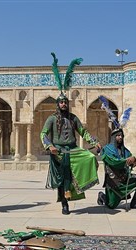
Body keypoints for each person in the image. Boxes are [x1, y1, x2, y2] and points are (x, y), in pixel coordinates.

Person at [40, 53, 102, 215]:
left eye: (65, 102)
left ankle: (77, 191)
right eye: (61, 102)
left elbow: (83, 132)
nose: (63, 104)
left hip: (73, 150)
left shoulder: (73, 118)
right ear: (57, 104)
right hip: (59, 152)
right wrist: (49, 146)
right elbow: (43, 134)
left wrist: (94, 142)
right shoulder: (52, 119)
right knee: (63, 179)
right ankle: (64, 203)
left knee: (89, 158)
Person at [97, 106, 136, 210]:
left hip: (125, 179)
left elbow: (132, 160)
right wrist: (126, 161)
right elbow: (113, 162)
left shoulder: (125, 150)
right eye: (118, 136)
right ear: (113, 137)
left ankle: (134, 203)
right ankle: (102, 196)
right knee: (111, 206)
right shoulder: (107, 149)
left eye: (121, 136)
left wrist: (134, 161)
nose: (120, 137)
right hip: (114, 183)